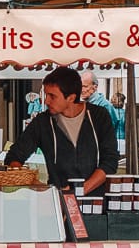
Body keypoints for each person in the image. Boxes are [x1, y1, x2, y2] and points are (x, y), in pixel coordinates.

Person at [7, 66, 120, 196]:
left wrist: (79, 191)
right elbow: (14, 156)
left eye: (52, 96)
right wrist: (38, 185)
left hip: (95, 203)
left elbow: (110, 161)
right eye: (45, 94)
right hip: (56, 203)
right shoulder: (42, 122)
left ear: (71, 98)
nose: (46, 101)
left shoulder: (99, 116)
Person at [81, 69, 126, 154]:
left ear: (95, 87)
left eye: (85, 86)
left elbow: (110, 129)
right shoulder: (83, 104)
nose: (81, 89)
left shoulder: (105, 106)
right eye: (80, 86)